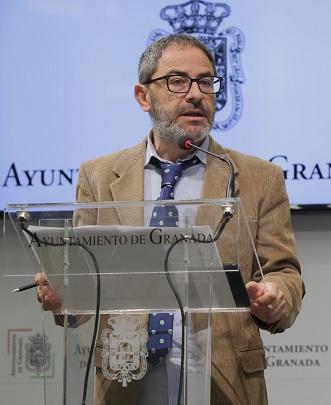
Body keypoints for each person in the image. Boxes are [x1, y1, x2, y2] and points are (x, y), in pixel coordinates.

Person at [35, 33, 304, 404]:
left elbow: (284, 273)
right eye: (177, 81)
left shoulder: (259, 178)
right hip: (125, 380)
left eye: (206, 81)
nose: (195, 94)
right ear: (143, 96)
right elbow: (83, 281)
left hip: (222, 379)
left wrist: (277, 296)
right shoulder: (98, 175)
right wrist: (64, 294)